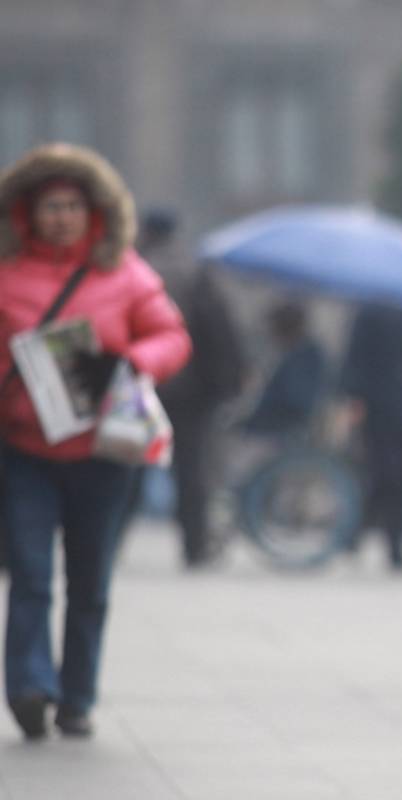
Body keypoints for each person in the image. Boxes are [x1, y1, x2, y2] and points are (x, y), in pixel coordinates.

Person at [0, 143, 191, 738]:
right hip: (23, 448)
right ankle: (31, 687)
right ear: (26, 214)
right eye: (48, 206)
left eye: (70, 206)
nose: (59, 217)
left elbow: (172, 336)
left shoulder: (126, 273)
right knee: (31, 573)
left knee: (91, 578)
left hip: (103, 452)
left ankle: (77, 696)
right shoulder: (5, 273)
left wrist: (131, 362)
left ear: (94, 213)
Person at [147, 210, 248, 568]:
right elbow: (221, 332)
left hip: (143, 386)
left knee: (128, 465)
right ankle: (194, 545)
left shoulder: (133, 270)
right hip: (191, 392)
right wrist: (229, 382)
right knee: (192, 471)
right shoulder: (194, 272)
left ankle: (106, 545)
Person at [339, 303, 402, 571]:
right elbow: (356, 357)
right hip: (380, 408)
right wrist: (355, 397)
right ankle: (356, 534)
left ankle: (396, 545)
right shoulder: (371, 311)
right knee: (383, 476)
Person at [241, 302, 325, 438]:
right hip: (272, 428)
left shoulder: (305, 357)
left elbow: (295, 399)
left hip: (280, 433)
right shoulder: (295, 354)